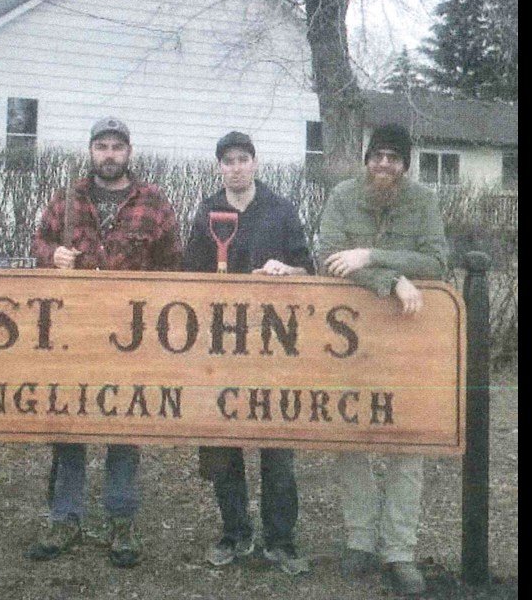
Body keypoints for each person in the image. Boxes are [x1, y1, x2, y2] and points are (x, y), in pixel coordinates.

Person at [28, 117, 182, 567]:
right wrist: (50, 255)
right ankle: (65, 517)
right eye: (102, 146)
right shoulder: (68, 199)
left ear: (128, 152)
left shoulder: (152, 201)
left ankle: (121, 521)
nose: (109, 154)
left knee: (125, 424)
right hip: (73, 331)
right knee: (68, 422)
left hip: (131, 333)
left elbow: (173, 263)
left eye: (117, 146)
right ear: (91, 151)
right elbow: (39, 241)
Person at [316, 123, 449, 596]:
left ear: (405, 164)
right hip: (347, 337)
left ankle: (399, 550)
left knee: (405, 445)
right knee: (351, 436)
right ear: (367, 160)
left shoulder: (423, 201)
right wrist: (389, 280)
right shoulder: (342, 197)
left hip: (407, 336)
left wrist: (372, 256)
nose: (384, 165)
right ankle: (359, 539)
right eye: (377, 156)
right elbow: (327, 256)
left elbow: (437, 261)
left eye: (393, 157)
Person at [183, 131, 313, 576]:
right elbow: (189, 277)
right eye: (228, 161)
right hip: (220, 347)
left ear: (255, 163)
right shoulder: (206, 213)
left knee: (277, 448)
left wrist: (287, 270)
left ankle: (281, 539)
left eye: (243, 159)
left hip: (273, 347)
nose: (236, 167)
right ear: (219, 167)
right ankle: (234, 531)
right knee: (222, 445)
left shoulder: (280, 210)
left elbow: (307, 269)